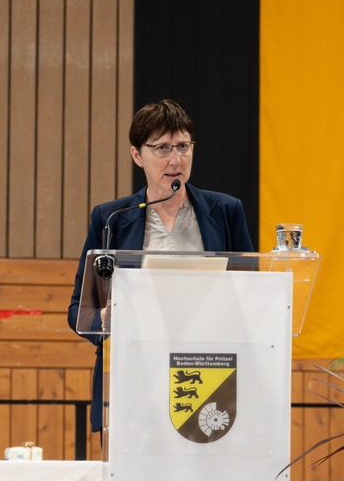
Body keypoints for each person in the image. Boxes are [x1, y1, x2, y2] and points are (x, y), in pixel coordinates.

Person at [67, 99, 255, 432]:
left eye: (183, 146)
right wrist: (106, 318)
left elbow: (251, 298)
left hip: (211, 377)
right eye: (162, 148)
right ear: (137, 155)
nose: (175, 160)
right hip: (136, 381)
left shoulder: (225, 212)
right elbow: (79, 313)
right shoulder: (112, 219)